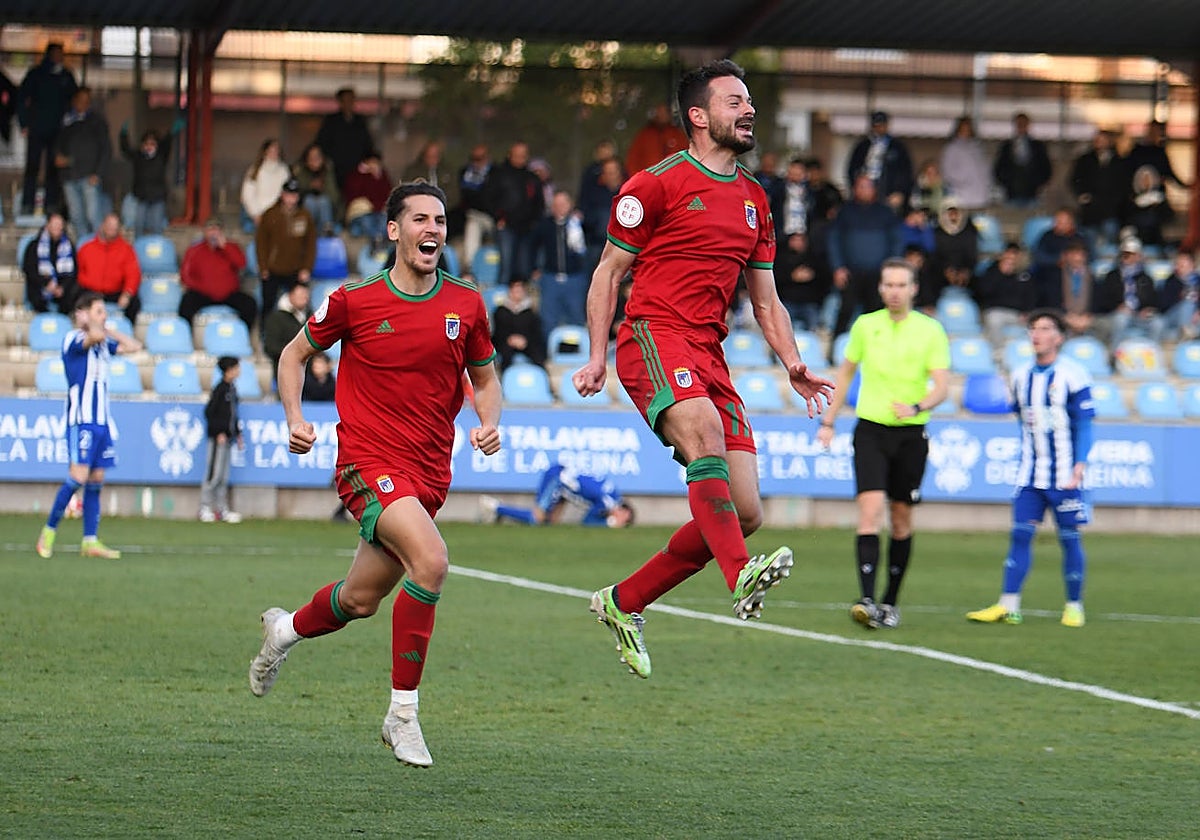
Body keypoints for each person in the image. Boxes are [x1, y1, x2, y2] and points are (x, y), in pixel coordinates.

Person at [572, 59, 834, 679]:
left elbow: (766, 299)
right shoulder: (653, 185)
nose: (748, 110)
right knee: (704, 438)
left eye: (750, 102)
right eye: (734, 101)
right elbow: (608, 273)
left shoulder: (754, 199)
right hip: (653, 336)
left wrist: (792, 362)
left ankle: (623, 601)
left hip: (709, 352)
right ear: (698, 116)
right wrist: (595, 355)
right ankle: (738, 573)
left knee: (745, 512)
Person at [248, 182, 502, 768]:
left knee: (359, 600)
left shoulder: (466, 305)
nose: (432, 229)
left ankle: (283, 631)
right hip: (368, 462)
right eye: (419, 219)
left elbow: (485, 379)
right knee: (432, 562)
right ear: (393, 231)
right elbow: (292, 355)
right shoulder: (353, 300)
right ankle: (402, 715)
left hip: (429, 473)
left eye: (439, 220)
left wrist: (488, 422)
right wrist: (294, 417)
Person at [816, 259, 950, 630]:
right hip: (870, 430)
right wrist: (829, 420)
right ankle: (866, 599)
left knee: (902, 518)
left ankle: (891, 601)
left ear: (913, 289)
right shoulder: (865, 326)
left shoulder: (930, 331)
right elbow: (844, 376)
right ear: (880, 288)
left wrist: (917, 406)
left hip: (911, 433)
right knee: (869, 511)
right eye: (888, 284)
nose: (894, 291)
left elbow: (942, 385)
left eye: (901, 285)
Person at [967, 309, 1095, 629]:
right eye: (1033, 329)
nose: (1037, 334)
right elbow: (1020, 416)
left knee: (1069, 539)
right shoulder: (1021, 375)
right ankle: (1009, 605)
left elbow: (1085, 424)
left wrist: (1079, 465)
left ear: (1059, 337)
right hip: (1030, 475)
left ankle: (1073, 605)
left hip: (1065, 474)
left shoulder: (1073, 375)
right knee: (1020, 536)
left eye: (1045, 328)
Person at [34, 291, 142, 561]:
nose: (103, 316)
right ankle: (48, 532)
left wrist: (108, 329)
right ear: (82, 314)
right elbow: (91, 337)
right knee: (77, 478)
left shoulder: (103, 344)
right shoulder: (73, 339)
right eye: (98, 311)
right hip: (81, 421)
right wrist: (93, 326)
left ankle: (90, 541)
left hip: (103, 422)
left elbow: (135, 346)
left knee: (96, 480)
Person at [826, 173, 905, 336]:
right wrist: (838, 267)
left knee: (877, 314)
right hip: (850, 273)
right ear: (854, 189)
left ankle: (878, 350)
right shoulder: (845, 212)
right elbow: (834, 241)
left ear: (874, 190)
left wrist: (890, 270)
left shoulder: (885, 212)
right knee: (845, 311)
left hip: (878, 273)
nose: (864, 190)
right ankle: (835, 350)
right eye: (860, 186)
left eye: (868, 186)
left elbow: (896, 242)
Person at [17, 42, 77, 216]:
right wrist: (24, 123)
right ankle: (27, 204)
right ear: (49, 54)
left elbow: (75, 100)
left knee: (54, 168)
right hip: (36, 128)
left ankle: (51, 205)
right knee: (32, 167)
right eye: (58, 53)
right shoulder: (36, 74)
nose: (61, 57)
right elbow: (22, 99)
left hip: (57, 131)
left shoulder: (66, 75)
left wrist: (69, 125)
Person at [481, 465, 635, 527]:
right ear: (623, 511)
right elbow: (587, 521)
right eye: (624, 521)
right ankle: (494, 507)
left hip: (566, 484)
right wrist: (610, 523)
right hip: (558, 479)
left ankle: (498, 513)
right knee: (538, 518)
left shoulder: (613, 494)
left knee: (550, 523)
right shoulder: (607, 502)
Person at [178, 218, 256, 331]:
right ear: (204, 232)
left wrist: (225, 247)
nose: (213, 233)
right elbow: (185, 274)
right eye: (210, 230)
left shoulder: (231, 247)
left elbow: (241, 264)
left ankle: (242, 336)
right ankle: (184, 336)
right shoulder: (195, 250)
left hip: (228, 295)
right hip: (203, 294)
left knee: (249, 304)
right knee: (186, 303)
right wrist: (200, 287)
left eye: (216, 229)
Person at [255, 178, 315, 320]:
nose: (291, 199)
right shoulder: (270, 215)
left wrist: (306, 268)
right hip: (272, 269)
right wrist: (263, 266)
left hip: (295, 269)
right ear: (282, 195)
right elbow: (261, 243)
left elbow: (311, 244)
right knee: (268, 305)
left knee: (301, 305)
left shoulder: (304, 216)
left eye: (294, 195)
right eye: (288, 195)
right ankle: (265, 335)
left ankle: (302, 336)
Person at [531, 189, 589, 337]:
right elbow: (532, 245)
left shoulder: (580, 224)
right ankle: (550, 352)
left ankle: (576, 353)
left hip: (575, 278)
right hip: (551, 278)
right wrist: (534, 268)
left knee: (576, 316)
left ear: (570, 204)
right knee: (548, 319)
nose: (559, 207)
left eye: (563, 203)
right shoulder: (544, 225)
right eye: (556, 204)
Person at [55, 86, 111, 239]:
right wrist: (58, 157)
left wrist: (98, 173)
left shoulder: (97, 121)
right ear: (74, 101)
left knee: (93, 216)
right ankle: (83, 251)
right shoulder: (67, 121)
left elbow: (106, 149)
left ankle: (98, 251)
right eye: (80, 100)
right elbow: (58, 145)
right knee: (76, 217)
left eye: (87, 101)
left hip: (89, 177)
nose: (83, 104)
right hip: (69, 177)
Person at [485, 142, 544, 285]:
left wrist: (534, 222)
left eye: (523, 155)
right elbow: (488, 199)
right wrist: (498, 218)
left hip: (527, 229)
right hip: (506, 227)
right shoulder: (498, 175)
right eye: (517, 154)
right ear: (510, 154)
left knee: (524, 267)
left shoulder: (532, 178)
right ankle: (502, 301)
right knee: (506, 265)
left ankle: (523, 303)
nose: (520, 158)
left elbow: (539, 203)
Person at [200, 356, 245, 524]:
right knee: (213, 473)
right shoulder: (220, 389)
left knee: (224, 476)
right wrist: (218, 431)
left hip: (228, 438)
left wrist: (237, 433)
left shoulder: (232, 389)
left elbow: (233, 415)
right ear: (229, 369)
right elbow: (210, 413)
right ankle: (204, 507)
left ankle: (220, 509)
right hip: (218, 438)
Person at [76, 213, 142, 323]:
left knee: (134, 302)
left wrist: (127, 293)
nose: (112, 229)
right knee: (74, 295)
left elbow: (133, 274)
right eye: (110, 225)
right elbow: (78, 272)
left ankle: (128, 333)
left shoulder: (126, 250)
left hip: (115, 292)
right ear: (102, 225)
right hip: (91, 291)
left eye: (115, 227)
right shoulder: (86, 248)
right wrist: (87, 283)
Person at [845, 110, 914, 214]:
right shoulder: (862, 146)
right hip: (866, 193)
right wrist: (857, 189)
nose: (879, 128)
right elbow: (852, 169)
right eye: (876, 125)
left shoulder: (897, 148)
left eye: (882, 125)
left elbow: (906, 172)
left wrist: (900, 192)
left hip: (888, 193)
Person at [971, 242, 1035, 346]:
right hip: (996, 310)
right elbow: (983, 292)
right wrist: (1000, 273)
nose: (1011, 260)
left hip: (1017, 313)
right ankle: (998, 352)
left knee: (1036, 324)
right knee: (994, 320)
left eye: (1014, 256)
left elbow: (1031, 296)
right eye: (1008, 256)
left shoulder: (1025, 275)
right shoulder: (991, 272)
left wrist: (1027, 311)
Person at [1070, 129, 1126, 249]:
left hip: (1111, 212)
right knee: (1089, 244)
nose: (1099, 142)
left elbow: (1124, 185)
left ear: (1110, 141)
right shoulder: (1085, 160)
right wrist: (1082, 195)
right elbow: (1074, 180)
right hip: (1090, 211)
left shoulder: (1120, 162)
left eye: (1103, 140)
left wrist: (1116, 202)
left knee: (1110, 246)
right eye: (1097, 140)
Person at [119, 123, 174, 237]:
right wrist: (123, 135)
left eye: (152, 143)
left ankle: (156, 252)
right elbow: (125, 150)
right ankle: (139, 251)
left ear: (157, 145)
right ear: (142, 145)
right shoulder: (138, 156)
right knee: (139, 226)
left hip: (157, 198)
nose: (149, 146)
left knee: (156, 227)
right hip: (142, 198)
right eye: (146, 143)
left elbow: (167, 144)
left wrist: (170, 133)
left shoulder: (161, 156)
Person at [315, 88, 376, 191]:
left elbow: (368, 145)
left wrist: (372, 159)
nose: (348, 103)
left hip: (357, 169)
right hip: (336, 169)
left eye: (351, 100)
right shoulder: (331, 121)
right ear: (340, 102)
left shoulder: (360, 121)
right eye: (345, 100)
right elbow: (322, 144)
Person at [993, 113, 1052, 208]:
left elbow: (1046, 167)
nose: (1021, 126)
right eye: (1019, 123)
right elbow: (999, 168)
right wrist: (1006, 184)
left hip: (1032, 193)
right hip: (1011, 193)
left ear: (1028, 125)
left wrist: (1039, 184)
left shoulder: (1038, 146)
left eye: (1024, 123)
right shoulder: (1006, 146)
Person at [23, 211, 77, 312]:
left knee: (71, 295)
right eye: (55, 225)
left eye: (60, 225)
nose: (58, 228)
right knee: (35, 294)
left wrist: (62, 287)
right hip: (41, 285)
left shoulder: (69, 246)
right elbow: (29, 270)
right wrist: (47, 284)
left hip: (61, 288)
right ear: (47, 226)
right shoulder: (34, 245)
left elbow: (73, 272)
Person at [491, 276, 547, 371]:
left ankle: (544, 380)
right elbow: (498, 332)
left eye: (520, 291)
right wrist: (510, 339)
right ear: (510, 291)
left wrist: (525, 340)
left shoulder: (531, 313)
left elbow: (536, 333)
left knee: (537, 355)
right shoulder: (500, 311)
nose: (517, 293)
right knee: (504, 354)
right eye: (515, 290)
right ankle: (503, 380)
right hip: (506, 343)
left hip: (526, 343)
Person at [939, 116, 991, 211]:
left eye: (968, 128)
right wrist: (963, 180)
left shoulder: (978, 148)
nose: (966, 131)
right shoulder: (951, 148)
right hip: (961, 196)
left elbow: (985, 170)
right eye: (963, 128)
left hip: (980, 197)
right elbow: (947, 172)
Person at [624, 102, 689, 175]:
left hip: (675, 180)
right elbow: (632, 160)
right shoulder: (644, 136)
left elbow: (688, 157)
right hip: (649, 180)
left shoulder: (678, 135)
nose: (661, 115)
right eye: (659, 112)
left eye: (664, 112)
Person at [240, 139, 291, 230]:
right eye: (271, 150)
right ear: (264, 152)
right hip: (259, 213)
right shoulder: (255, 169)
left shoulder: (284, 170)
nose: (274, 153)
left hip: (279, 214)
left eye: (276, 150)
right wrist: (256, 214)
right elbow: (247, 195)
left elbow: (288, 194)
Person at [263, 281, 312, 373]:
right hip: (285, 368)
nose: (304, 298)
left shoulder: (312, 316)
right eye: (300, 295)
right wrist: (296, 352)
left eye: (306, 295)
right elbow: (271, 347)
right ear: (290, 295)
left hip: (310, 369)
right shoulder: (276, 318)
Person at [343, 151, 392, 242]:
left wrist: (378, 177)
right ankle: (375, 243)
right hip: (361, 212)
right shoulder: (356, 176)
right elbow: (353, 196)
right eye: (371, 162)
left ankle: (378, 241)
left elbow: (387, 194)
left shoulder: (382, 176)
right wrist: (364, 174)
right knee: (367, 221)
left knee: (384, 221)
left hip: (379, 211)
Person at [292, 143, 341, 235]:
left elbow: (335, 197)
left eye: (317, 156)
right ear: (306, 160)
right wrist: (310, 186)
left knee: (323, 200)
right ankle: (308, 232)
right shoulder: (300, 172)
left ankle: (327, 232)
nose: (315, 160)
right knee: (310, 200)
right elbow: (296, 195)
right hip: (305, 211)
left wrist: (323, 186)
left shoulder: (328, 171)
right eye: (312, 157)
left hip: (328, 211)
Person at [1159, 249, 1200, 341]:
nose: (1180, 267)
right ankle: (1186, 332)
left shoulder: (1198, 280)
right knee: (1187, 304)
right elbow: (1164, 305)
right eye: (1178, 264)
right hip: (1173, 316)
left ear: (1192, 265)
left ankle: (1186, 334)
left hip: (1194, 318)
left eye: (1184, 264)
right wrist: (1179, 297)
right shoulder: (1171, 281)